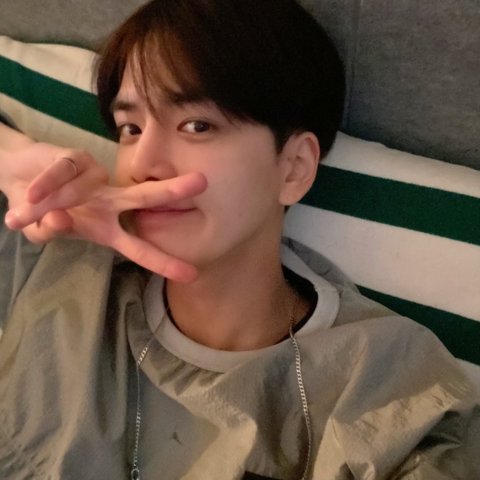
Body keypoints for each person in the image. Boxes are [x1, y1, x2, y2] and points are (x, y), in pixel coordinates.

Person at [0, 0, 479, 479]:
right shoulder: (52, 246)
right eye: (131, 128)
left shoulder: (387, 391)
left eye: (197, 125)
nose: (142, 164)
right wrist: (14, 156)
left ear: (293, 169)